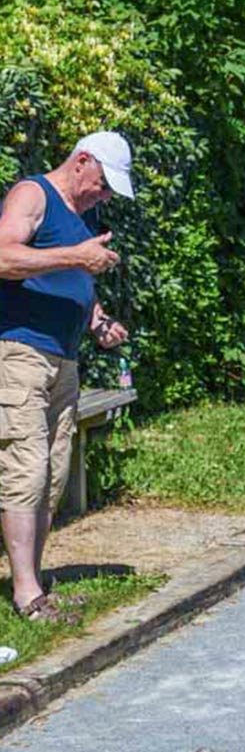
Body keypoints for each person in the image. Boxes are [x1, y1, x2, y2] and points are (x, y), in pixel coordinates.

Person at [0, 132, 134, 623]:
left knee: (52, 474)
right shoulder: (32, 195)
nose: (104, 197)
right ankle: (26, 595)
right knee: (26, 468)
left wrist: (98, 321)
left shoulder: (83, 216)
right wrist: (77, 256)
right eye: (102, 185)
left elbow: (74, 284)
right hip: (18, 352)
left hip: (65, 358)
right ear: (81, 162)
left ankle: (31, 582)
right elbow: (4, 256)